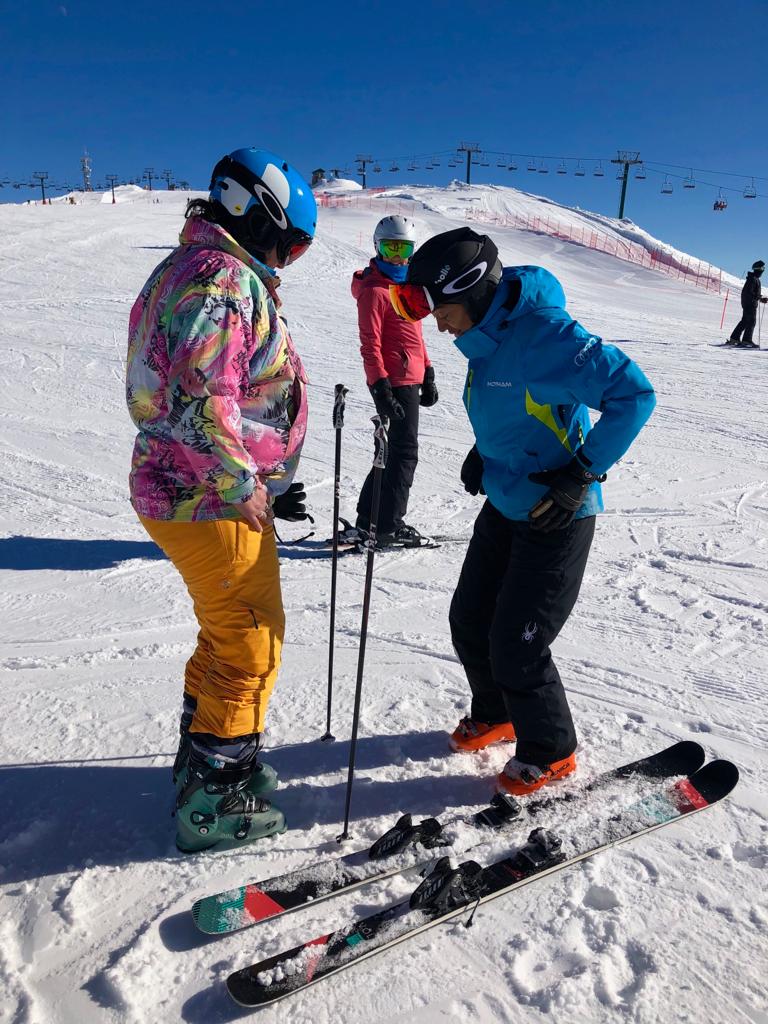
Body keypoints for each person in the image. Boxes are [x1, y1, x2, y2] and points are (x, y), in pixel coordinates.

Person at [389, 227, 656, 795]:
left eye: (440, 308)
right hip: (506, 499)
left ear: (475, 291)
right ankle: (497, 714)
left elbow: (635, 395)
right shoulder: (486, 335)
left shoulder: (547, 336)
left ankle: (551, 749)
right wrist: (484, 452)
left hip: (557, 513)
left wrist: (581, 472)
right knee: (470, 620)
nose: (435, 323)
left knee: (519, 642)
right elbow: (518, 407)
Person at [126, 147, 316, 852]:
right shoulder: (219, 280)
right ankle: (214, 794)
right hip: (206, 494)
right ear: (263, 221)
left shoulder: (191, 268)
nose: (288, 261)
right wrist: (243, 487)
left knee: (224, 629)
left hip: (185, 486)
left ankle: (206, 758)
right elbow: (200, 401)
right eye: (292, 245)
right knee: (249, 640)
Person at [342, 215, 438, 547]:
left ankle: (369, 520)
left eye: (403, 248)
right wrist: (379, 386)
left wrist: (428, 371)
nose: (397, 256)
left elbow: (415, 334)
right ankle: (388, 525)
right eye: (390, 248)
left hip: (410, 377)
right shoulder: (374, 291)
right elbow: (370, 344)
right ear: (378, 248)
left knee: (390, 451)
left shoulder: (405, 286)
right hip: (393, 381)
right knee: (404, 452)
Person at [727, 260, 767, 348]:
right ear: (758, 269)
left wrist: (760, 298)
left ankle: (735, 338)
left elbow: (751, 293)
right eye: (762, 268)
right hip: (750, 304)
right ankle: (746, 340)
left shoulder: (753, 279)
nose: (763, 270)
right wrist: (759, 298)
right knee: (751, 321)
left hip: (748, 303)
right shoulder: (753, 279)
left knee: (745, 321)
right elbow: (749, 292)